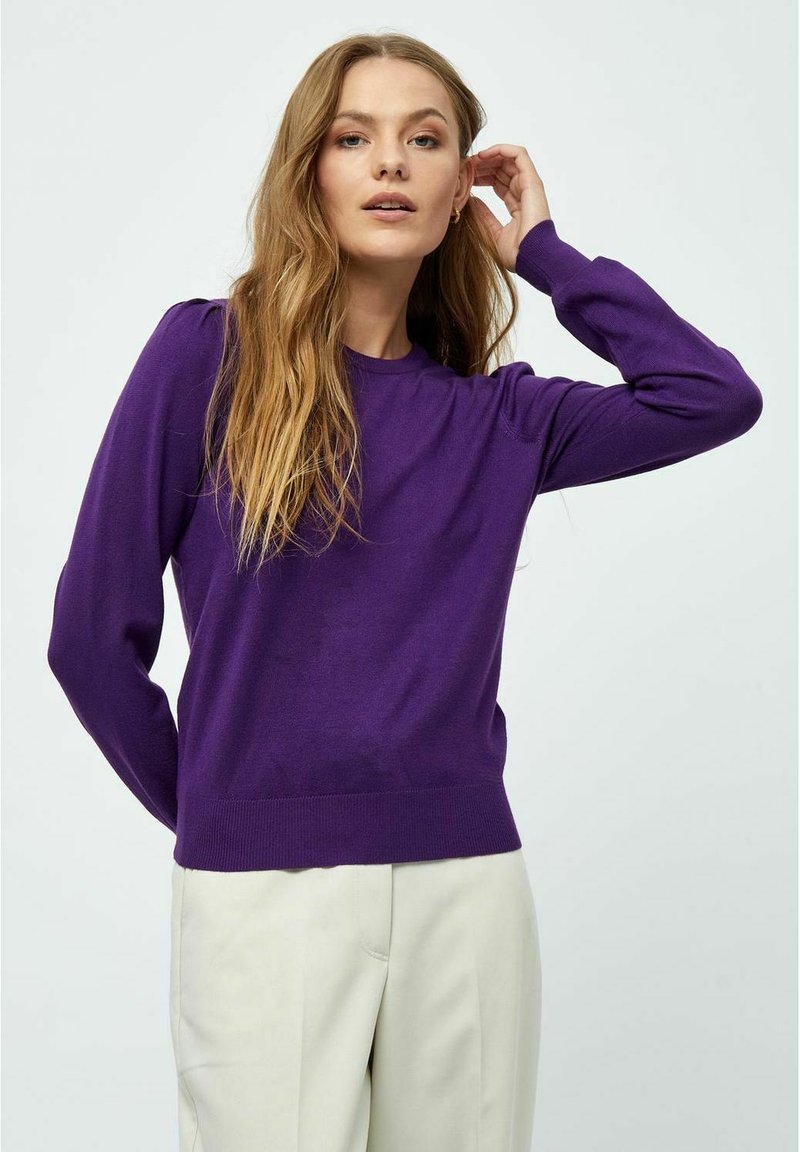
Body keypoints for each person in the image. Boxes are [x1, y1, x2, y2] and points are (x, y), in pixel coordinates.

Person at [46, 30, 763, 1152]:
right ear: (309, 170)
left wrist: (546, 254)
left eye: (424, 140)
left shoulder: (500, 418)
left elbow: (710, 397)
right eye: (353, 137)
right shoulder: (205, 359)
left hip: (466, 887)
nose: (389, 162)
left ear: (458, 186)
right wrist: (218, 808)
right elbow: (90, 639)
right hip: (261, 893)